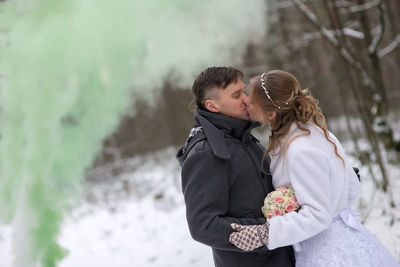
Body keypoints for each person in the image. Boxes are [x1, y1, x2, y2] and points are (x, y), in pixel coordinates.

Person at [229, 70, 400, 266]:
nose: (246, 102)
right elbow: (351, 186)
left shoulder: (300, 149)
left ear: (271, 113)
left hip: (329, 252)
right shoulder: (311, 131)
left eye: (252, 100)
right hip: (345, 238)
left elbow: (318, 215)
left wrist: (266, 233)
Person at [176, 67, 295, 267]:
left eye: (244, 91)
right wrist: (264, 232)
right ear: (212, 106)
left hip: (282, 257)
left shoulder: (244, 138)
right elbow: (203, 225)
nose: (247, 99)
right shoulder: (206, 153)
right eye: (237, 95)